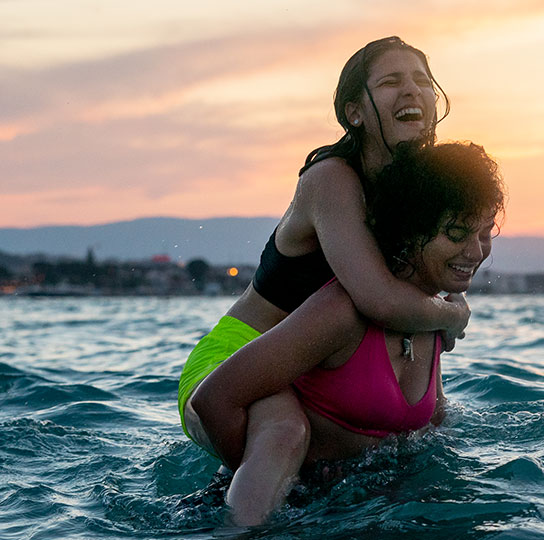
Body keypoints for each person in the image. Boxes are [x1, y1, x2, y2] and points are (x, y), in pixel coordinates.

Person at [177, 36, 470, 476]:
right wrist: (451, 316)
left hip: (312, 375)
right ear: (354, 112)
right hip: (235, 362)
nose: (411, 90)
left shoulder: (415, 193)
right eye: (391, 81)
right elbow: (381, 300)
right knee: (284, 432)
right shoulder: (330, 179)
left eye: (422, 80)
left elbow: (414, 303)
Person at [191, 141, 506, 526]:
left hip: (352, 513)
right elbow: (215, 400)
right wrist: (273, 480)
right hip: (276, 513)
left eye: (486, 232)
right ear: (410, 230)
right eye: (457, 233)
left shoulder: (433, 315)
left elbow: (430, 429)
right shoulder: (340, 312)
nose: (475, 252)